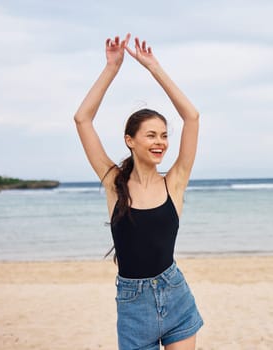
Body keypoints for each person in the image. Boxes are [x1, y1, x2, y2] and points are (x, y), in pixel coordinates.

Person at [74, 33, 203, 350]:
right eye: (150, 135)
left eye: (163, 135)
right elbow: (82, 119)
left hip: (176, 296)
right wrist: (112, 68)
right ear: (130, 140)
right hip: (133, 306)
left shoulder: (174, 181)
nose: (160, 142)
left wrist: (153, 67)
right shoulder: (113, 182)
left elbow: (192, 117)